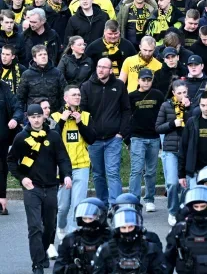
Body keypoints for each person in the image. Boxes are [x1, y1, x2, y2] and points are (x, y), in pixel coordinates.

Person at [7, 104, 72, 274]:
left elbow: (63, 158)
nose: (36, 120)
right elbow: (11, 161)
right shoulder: (21, 137)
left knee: (49, 226)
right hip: (32, 188)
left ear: (44, 117)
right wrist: (22, 178)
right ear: (28, 118)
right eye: (33, 117)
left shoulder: (54, 136)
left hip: (51, 187)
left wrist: (66, 175)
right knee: (35, 226)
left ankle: (42, 253)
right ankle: (37, 264)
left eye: (39, 116)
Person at [80, 57, 131, 207]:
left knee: (113, 172)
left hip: (113, 138)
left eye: (104, 67)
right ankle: (102, 204)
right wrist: (88, 133)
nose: (101, 70)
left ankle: (116, 205)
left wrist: (121, 133)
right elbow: (83, 111)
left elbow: (126, 110)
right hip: (94, 139)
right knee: (98, 174)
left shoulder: (119, 85)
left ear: (111, 70)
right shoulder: (86, 86)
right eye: (99, 66)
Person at [51, 85, 97, 238]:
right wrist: (62, 120)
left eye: (79, 95)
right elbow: (52, 139)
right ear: (66, 98)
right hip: (63, 168)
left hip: (81, 165)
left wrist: (80, 123)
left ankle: (74, 236)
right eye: (74, 95)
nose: (77, 97)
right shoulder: (56, 116)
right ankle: (61, 227)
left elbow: (92, 139)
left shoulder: (86, 116)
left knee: (78, 204)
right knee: (63, 206)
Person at [128, 68, 164, 211]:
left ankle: (149, 199)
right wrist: (128, 137)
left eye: (149, 80)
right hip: (137, 137)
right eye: (143, 79)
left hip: (154, 137)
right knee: (136, 170)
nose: (146, 82)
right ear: (138, 80)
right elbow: (127, 117)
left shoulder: (158, 94)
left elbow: (162, 113)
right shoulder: (131, 96)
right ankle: (134, 200)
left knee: (151, 171)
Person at [156, 80, 191, 226]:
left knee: (186, 183)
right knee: (172, 182)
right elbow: (158, 127)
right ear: (173, 93)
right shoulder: (166, 106)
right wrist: (172, 124)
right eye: (179, 93)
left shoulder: (192, 105)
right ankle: (172, 211)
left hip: (187, 149)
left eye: (184, 92)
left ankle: (183, 209)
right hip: (171, 149)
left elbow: (194, 124)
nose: (182, 95)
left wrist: (188, 110)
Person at [92, 206, 166, 273]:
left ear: (137, 227)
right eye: (123, 227)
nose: (127, 231)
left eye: (130, 227)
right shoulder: (106, 250)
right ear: (117, 229)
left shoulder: (151, 249)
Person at [53, 197, 112, 274]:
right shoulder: (71, 240)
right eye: (85, 218)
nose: (87, 221)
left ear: (100, 217)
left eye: (90, 218)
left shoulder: (110, 238)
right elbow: (58, 269)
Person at [18, 44, 67, 112]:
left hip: (54, 112)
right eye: (40, 55)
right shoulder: (27, 74)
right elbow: (20, 97)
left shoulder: (57, 73)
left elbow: (64, 93)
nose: (43, 56)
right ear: (34, 58)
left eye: (45, 54)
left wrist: (61, 111)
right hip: (34, 113)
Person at [0, 78, 23, 215]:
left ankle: (1, 200)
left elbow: (17, 107)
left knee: (2, 169)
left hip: (2, 139)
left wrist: (15, 119)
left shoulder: (4, 88)